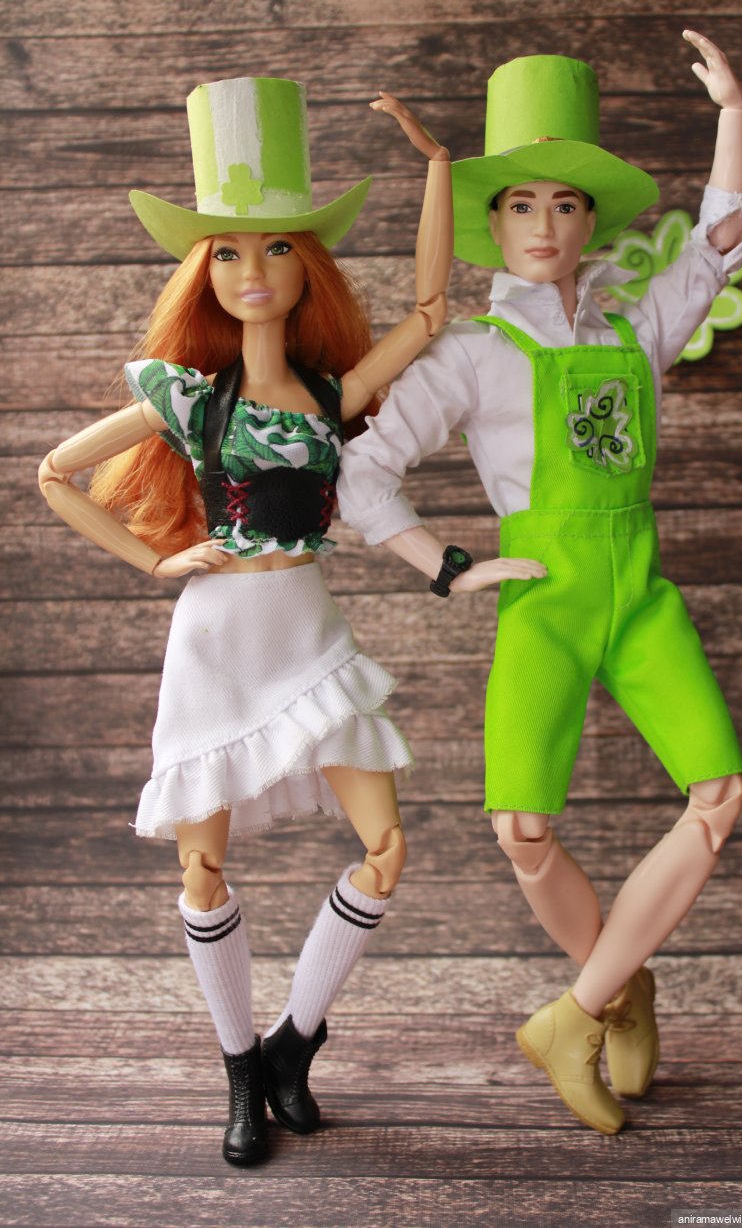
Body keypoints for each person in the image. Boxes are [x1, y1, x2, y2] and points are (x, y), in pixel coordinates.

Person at [337, 32, 742, 1134]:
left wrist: (734, 114)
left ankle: (574, 1012)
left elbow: (719, 241)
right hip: (547, 593)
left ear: (590, 223)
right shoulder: (470, 351)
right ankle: (619, 988)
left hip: (640, 588)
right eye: (521, 204)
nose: (543, 224)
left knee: (718, 794)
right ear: (492, 222)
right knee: (520, 824)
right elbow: (363, 472)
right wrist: (451, 566)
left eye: (565, 204)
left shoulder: (636, 324)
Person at [38, 75, 458, 1166]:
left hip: (309, 634)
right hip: (218, 643)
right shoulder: (189, 395)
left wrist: (437, 168)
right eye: (226, 253)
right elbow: (52, 473)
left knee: (385, 846)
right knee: (202, 870)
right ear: (204, 273)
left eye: (275, 248)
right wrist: (155, 557)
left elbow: (429, 315)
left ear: (306, 265)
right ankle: (237, 1071)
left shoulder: (328, 396)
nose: (252, 270)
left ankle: (293, 1044)